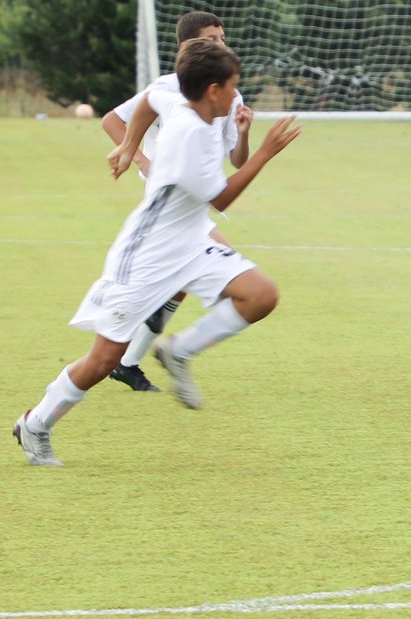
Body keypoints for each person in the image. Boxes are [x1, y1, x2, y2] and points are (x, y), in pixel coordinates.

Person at [13, 39, 301, 466]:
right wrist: (263, 153)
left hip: (193, 242)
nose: (237, 93)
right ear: (212, 90)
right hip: (147, 255)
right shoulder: (191, 139)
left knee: (260, 294)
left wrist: (129, 146)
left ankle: (179, 350)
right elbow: (220, 199)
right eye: (233, 86)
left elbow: (149, 100)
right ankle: (35, 424)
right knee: (103, 359)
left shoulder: (179, 103)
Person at [100, 10, 253, 392]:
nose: (221, 44)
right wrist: (140, 160)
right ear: (188, 45)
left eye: (223, 37)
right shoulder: (169, 86)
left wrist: (247, 135)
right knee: (242, 283)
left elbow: (237, 160)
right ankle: (171, 352)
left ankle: (130, 362)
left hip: (196, 198)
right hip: (171, 203)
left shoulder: (228, 90)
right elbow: (113, 120)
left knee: (179, 284)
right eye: (213, 39)